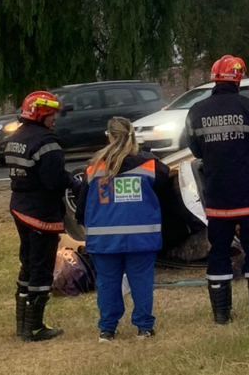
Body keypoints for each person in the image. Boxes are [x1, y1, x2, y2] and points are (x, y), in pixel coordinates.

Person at [185, 55, 249, 323]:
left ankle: (220, 315)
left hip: (217, 197)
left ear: (214, 78)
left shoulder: (196, 111)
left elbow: (195, 150)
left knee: (218, 252)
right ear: (239, 79)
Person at [75, 116, 172, 342]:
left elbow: (80, 209)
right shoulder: (151, 165)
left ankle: (107, 330)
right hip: (142, 237)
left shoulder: (93, 168)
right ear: (132, 135)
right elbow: (166, 193)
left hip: (103, 238)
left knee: (108, 283)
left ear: (108, 136)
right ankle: (144, 328)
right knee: (141, 282)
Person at [5, 91, 77, 342]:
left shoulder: (16, 138)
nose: (54, 119)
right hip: (40, 214)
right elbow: (55, 180)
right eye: (51, 114)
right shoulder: (46, 142)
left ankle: (22, 326)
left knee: (27, 263)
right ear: (40, 114)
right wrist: (75, 183)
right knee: (42, 269)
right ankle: (34, 328)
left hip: (20, 208)